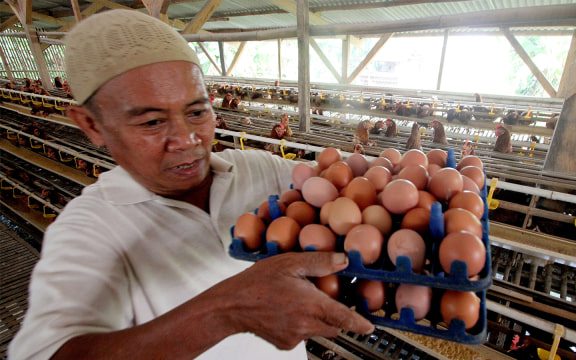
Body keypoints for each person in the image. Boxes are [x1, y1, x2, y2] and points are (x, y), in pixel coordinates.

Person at [8, 9, 373, 360]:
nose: (186, 140)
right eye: (151, 122)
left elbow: (348, 182)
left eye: (197, 112)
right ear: (90, 124)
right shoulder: (87, 230)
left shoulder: (257, 169)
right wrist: (227, 310)